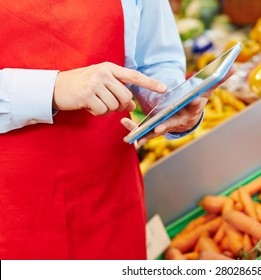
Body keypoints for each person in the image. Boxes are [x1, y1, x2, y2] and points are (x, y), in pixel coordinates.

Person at [0, 0, 232, 260]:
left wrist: (168, 100)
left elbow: (155, 59)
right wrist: (51, 88)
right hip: (11, 206)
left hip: (109, 192)